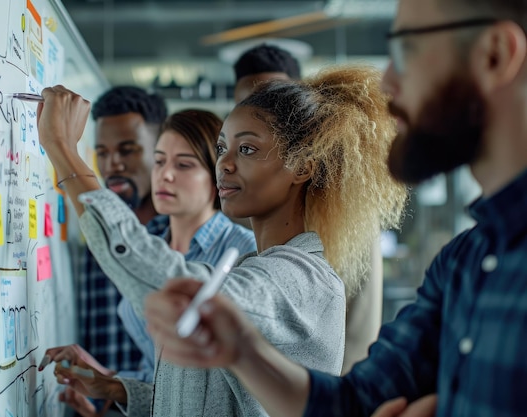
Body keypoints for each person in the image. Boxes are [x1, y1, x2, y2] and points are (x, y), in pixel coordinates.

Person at [144, 0, 527, 416]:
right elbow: (355, 402)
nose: (388, 81)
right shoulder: (461, 264)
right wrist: (241, 350)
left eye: (406, 50)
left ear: (495, 54)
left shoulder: (303, 272)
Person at [35, 63, 406, 416]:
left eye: (246, 149)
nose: (224, 164)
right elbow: (219, 402)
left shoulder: (304, 279)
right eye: (222, 148)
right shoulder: (255, 267)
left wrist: (64, 152)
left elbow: (177, 293)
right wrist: (118, 390)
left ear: (302, 166)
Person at [58, 109, 257, 416]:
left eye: (184, 165)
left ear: (217, 174)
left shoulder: (244, 252)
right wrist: (105, 382)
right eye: (160, 160)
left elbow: (224, 386)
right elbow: (161, 373)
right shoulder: (153, 243)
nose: (165, 174)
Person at [234, 42, 386, 374]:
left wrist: (337, 401)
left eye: (275, 100)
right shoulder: (226, 198)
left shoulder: (342, 204)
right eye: (248, 104)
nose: (262, 113)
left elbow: (360, 324)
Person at [70, 86, 168, 414]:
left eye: (127, 150)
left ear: (160, 151)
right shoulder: (91, 233)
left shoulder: (177, 242)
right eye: (102, 151)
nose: (113, 165)